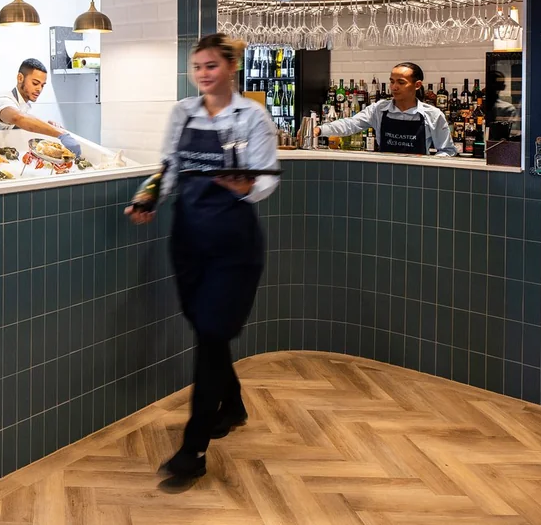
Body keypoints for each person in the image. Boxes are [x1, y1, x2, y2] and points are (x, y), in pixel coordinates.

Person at [125, 33, 278, 480]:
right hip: (188, 238)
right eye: (197, 67)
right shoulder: (183, 112)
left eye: (211, 66)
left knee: (212, 333)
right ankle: (231, 405)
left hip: (233, 244)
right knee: (205, 328)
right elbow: (168, 166)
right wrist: (148, 198)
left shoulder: (253, 115)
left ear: (230, 67)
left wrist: (247, 185)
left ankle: (193, 448)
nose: (203, 75)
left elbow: (267, 178)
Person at [315, 62, 458, 156]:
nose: (394, 87)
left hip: (418, 178)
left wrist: (428, 166)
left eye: (401, 82)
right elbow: (350, 124)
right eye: (392, 81)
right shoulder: (379, 110)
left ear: (417, 85)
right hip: (384, 174)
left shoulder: (433, 115)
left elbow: (447, 150)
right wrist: (320, 130)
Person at [0, 58, 82, 156]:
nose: (39, 89)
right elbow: (17, 118)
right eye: (35, 83)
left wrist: (48, 127)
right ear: (20, 78)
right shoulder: (3, 100)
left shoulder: (24, 105)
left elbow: (22, 123)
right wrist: (60, 134)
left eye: (42, 85)